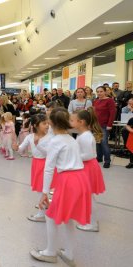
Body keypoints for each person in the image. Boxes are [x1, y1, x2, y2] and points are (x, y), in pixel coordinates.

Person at [30, 108, 91, 267]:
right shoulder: (71, 139)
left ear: (52, 123)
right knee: (68, 217)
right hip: (80, 178)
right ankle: (69, 254)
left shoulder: (56, 141)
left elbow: (49, 169)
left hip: (67, 181)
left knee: (50, 215)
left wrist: (44, 192)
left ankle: (50, 252)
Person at [70, 108, 105, 232]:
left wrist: (73, 157)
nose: (70, 122)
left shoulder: (85, 137)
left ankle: (93, 223)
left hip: (88, 167)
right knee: (87, 196)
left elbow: (89, 155)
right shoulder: (82, 135)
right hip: (86, 166)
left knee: (89, 197)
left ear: (81, 122)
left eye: (72, 120)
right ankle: (89, 220)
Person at [13, 114, 51, 222]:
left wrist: (38, 144)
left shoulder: (49, 137)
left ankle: (41, 214)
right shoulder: (30, 137)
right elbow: (21, 149)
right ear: (35, 125)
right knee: (40, 188)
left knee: (41, 189)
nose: (47, 125)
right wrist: (17, 148)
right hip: (36, 164)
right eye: (44, 123)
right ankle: (46, 206)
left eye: (47, 123)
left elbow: (49, 153)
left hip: (45, 164)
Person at [93, 86, 116, 168]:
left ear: (105, 92)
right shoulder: (96, 101)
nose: (99, 93)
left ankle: (107, 160)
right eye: (98, 91)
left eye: (101, 91)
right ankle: (99, 158)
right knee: (98, 142)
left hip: (105, 125)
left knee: (104, 143)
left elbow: (112, 113)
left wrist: (110, 125)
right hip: (96, 125)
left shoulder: (110, 100)